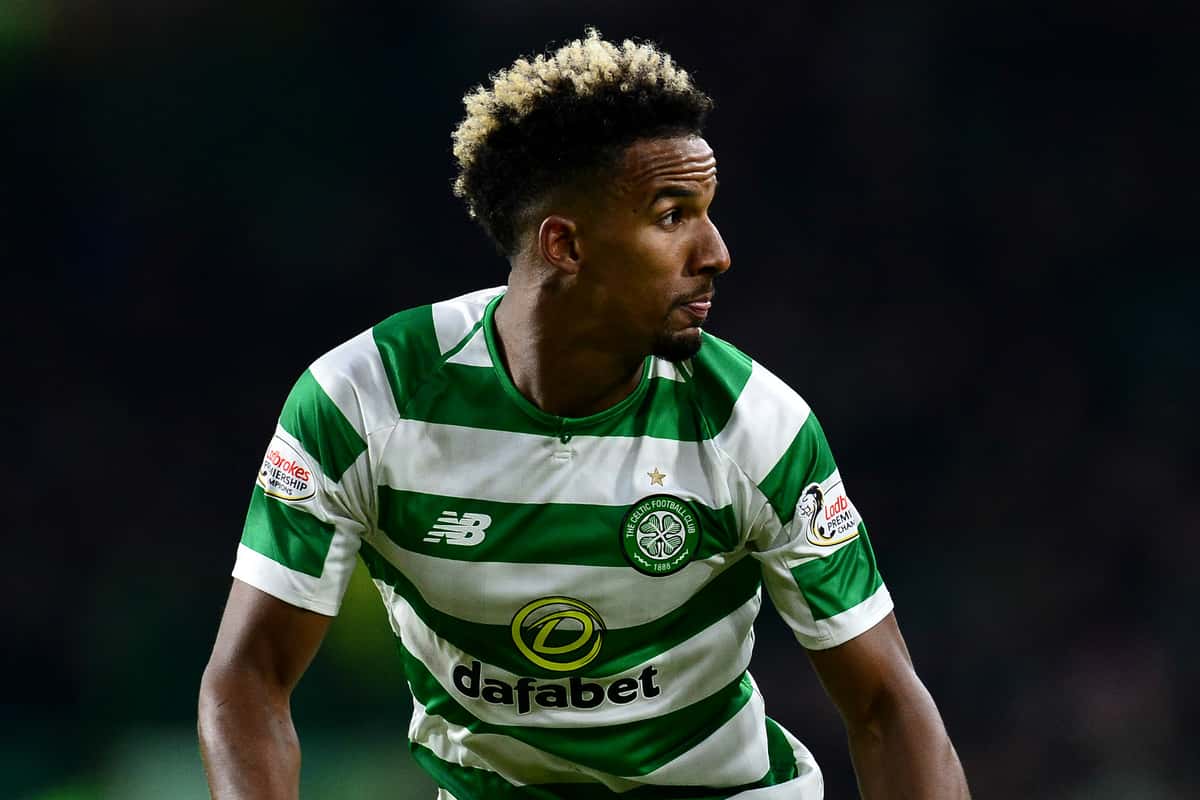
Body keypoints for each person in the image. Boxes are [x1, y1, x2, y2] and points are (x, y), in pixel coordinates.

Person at [198, 30, 970, 800]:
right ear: (565, 245)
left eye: (707, 213)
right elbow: (250, 676)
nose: (716, 251)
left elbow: (886, 706)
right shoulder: (363, 403)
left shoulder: (753, 426)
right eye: (673, 215)